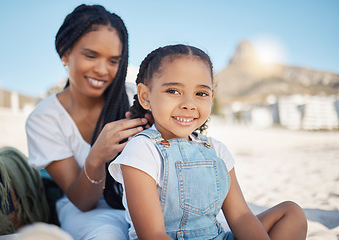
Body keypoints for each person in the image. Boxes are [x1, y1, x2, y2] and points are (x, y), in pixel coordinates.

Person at [109, 44, 308, 239]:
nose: (188, 104)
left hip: (215, 236)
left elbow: (240, 216)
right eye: (173, 91)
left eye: (200, 94)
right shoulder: (142, 149)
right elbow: (152, 234)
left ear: (211, 98)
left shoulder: (215, 149)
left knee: (291, 213)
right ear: (145, 96)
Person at [26, 4, 150, 240]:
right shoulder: (45, 119)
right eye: (90, 56)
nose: (102, 70)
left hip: (145, 202)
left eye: (114, 61)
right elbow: (83, 202)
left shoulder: (137, 97)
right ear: (65, 53)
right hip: (88, 212)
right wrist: (96, 158)